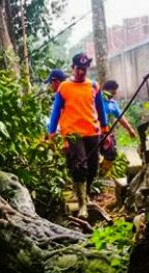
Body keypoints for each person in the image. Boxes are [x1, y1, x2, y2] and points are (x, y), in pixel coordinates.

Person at [47, 53, 108, 219]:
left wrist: (105, 129)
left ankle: (86, 194)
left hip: (92, 132)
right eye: (79, 69)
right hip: (73, 134)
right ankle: (82, 205)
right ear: (73, 68)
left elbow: (101, 110)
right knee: (80, 166)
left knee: (93, 167)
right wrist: (51, 133)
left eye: (85, 69)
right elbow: (55, 112)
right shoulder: (64, 87)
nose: (82, 72)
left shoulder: (94, 86)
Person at [99, 80, 137, 176]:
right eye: (113, 91)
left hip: (108, 133)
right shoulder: (97, 101)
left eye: (115, 91)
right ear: (105, 90)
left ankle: (101, 174)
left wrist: (130, 129)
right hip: (96, 133)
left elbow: (120, 117)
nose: (114, 94)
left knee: (111, 154)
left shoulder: (112, 103)